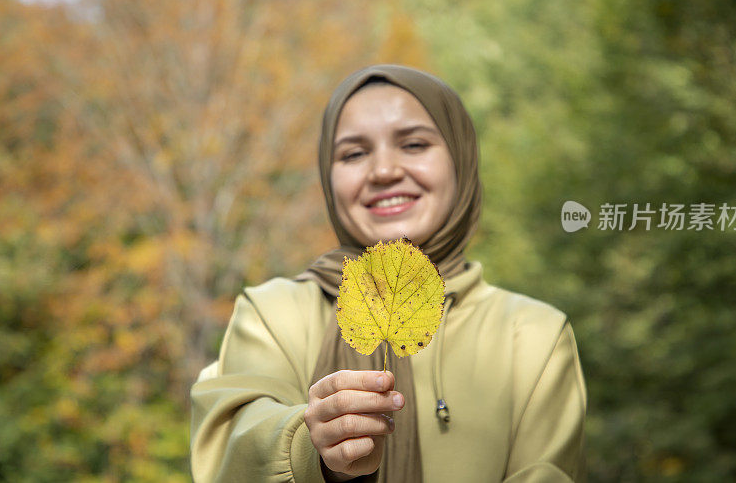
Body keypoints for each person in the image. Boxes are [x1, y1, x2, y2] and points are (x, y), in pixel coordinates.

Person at [190, 65, 587, 482]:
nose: (383, 171)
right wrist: (312, 447)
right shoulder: (273, 313)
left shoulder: (533, 335)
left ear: (462, 159)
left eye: (413, 144)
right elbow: (234, 447)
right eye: (354, 154)